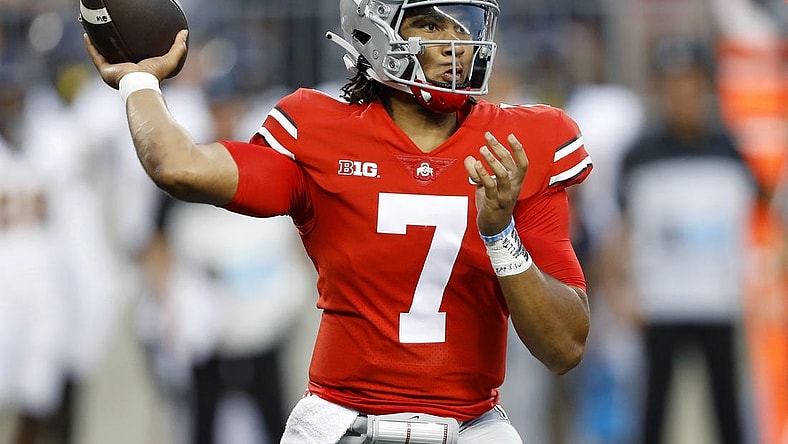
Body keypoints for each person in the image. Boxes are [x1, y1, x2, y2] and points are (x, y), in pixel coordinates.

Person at [83, 0, 593, 442]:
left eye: (462, 24)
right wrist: (137, 80)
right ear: (376, 30)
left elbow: (565, 347)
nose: (456, 43)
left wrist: (500, 234)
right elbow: (179, 167)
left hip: (471, 424)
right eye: (431, 25)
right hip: (342, 424)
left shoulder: (521, 144)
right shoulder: (320, 130)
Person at [609, 38, 757, 444]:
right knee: (654, 408)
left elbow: (758, 221)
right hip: (661, 303)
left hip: (719, 301)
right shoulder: (640, 152)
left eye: (690, 84)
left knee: (727, 408)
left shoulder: (729, 148)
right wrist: (620, 289)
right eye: (673, 84)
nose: (682, 95)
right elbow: (621, 228)